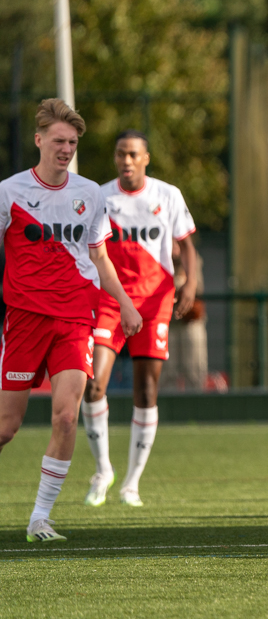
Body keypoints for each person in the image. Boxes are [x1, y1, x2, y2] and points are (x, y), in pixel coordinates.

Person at [0, 100, 142, 541]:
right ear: (39, 140)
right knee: (7, 426)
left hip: (76, 317)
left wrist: (126, 303)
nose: (66, 149)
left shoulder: (90, 194)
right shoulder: (9, 192)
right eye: (59, 141)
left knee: (65, 417)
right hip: (24, 318)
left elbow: (99, 255)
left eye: (73, 143)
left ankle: (40, 518)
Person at [81, 129, 198, 508]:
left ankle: (131, 483)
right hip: (110, 299)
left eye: (133, 154)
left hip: (154, 300)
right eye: (120, 154)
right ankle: (103, 470)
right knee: (93, 386)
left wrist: (190, 286)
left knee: (146, 392)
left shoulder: (168, 195)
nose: (126, 161)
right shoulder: (99, 196)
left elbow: (187, 246)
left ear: (146, 158)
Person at [162, 237, 208, 391]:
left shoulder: (193, 258)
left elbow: (197, 288)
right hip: (168, 323)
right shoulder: (159, 258)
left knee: (194, 369)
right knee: (167, 372)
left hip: (190, 321)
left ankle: (195, 410)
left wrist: (182, 283)